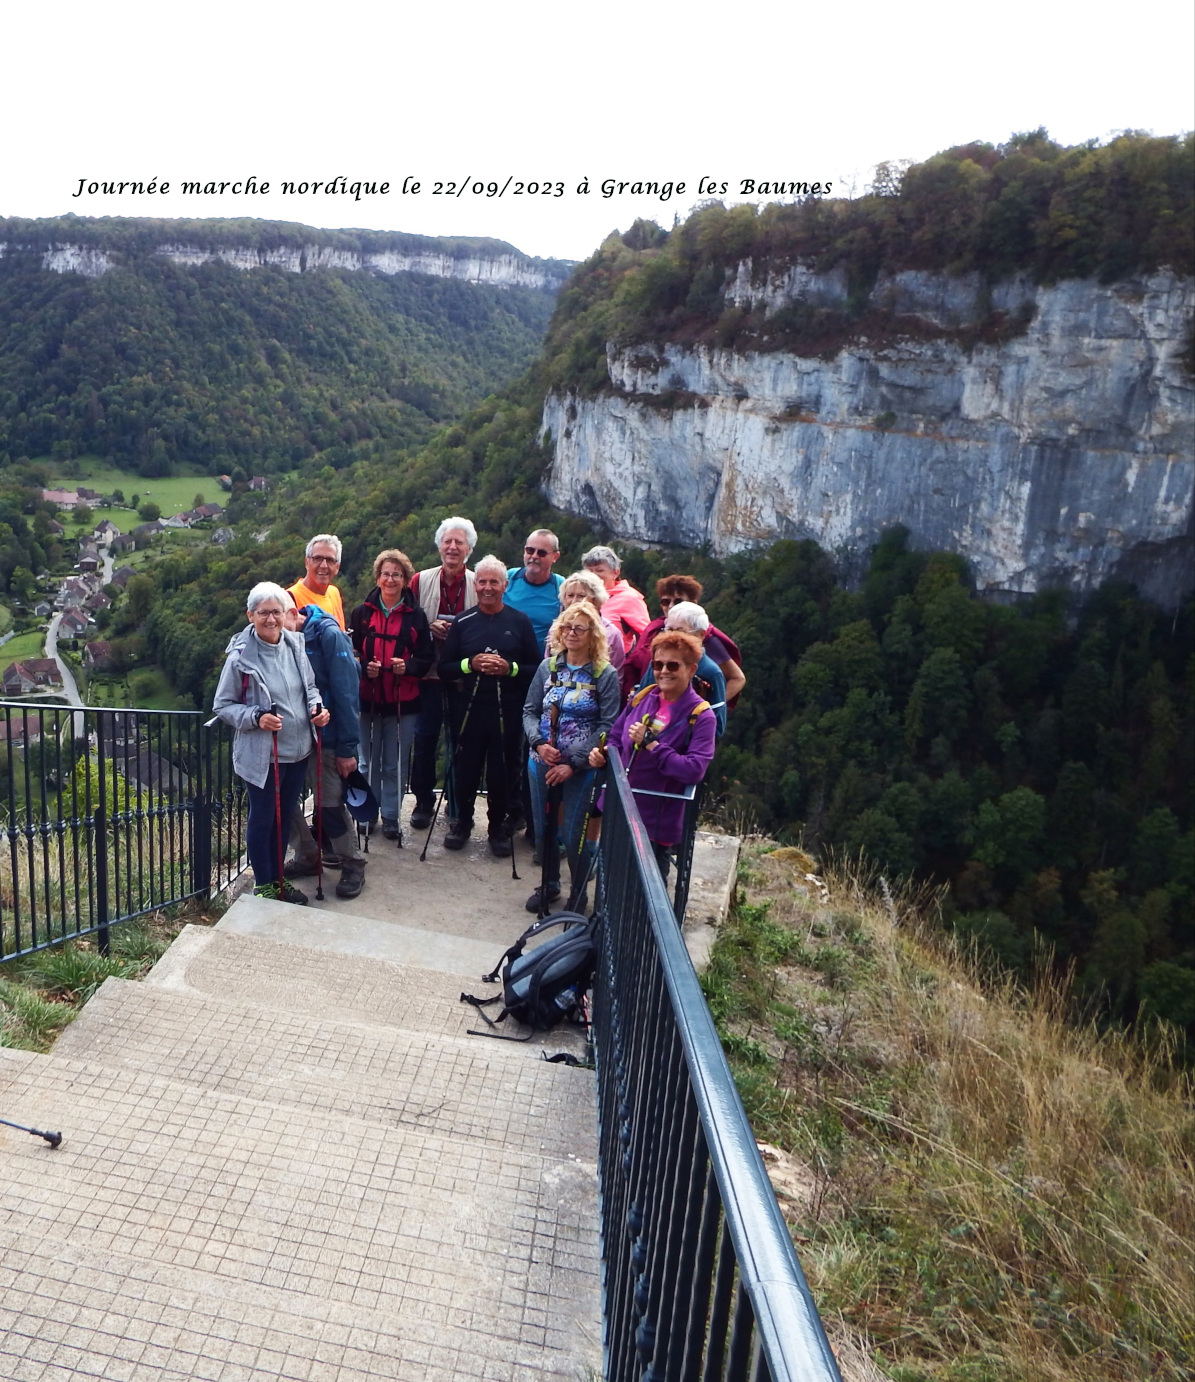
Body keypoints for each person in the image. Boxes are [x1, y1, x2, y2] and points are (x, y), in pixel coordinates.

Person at [213, 582, 329, 904]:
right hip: (264, 755)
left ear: (286, 614)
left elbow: (310, 688)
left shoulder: (294, 645)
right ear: (250, 615)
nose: (271, 619)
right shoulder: (240, 658)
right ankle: (265, 884)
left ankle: (277, 881)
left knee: (284, 817)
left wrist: (317, 709)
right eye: (263, 613)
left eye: (276, 612)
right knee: (263, 818)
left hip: (299, 750)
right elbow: (222, 705)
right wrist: (257, 717)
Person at [590, 630, 716, 883]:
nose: (664, 671)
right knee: (610, 884)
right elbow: (616, 738)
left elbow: (694, 769)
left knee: (645, 894)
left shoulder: (702, 716)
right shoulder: (644, 697)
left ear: (691, 670)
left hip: (656, 824)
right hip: (619, 810)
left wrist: (653, 745)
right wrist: (604, 756)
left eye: (673, 665)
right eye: (658, 665)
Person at [438, 556, 541, 854]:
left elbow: (536, 669)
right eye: (482, 581)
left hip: (507, 710)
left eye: (494, 582)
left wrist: (509, 669)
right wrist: (470, 664)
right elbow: (445, 668)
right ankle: (462, 823)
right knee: (466, 768)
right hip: (469, 709)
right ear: (475, 584)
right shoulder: (463, 621)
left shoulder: (520, 621)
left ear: (505, 585)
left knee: (503, 771)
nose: (487, 587)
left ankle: (497, 827)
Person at [522, 601, 620, 913]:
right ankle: (549, 883)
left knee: (575, 833)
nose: (572, 633)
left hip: (582, 768)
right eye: (567, 627)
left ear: (593, 635)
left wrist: (572, 763)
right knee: (544, 827)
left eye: (580, 628)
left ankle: (578, 893)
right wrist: (539, 743)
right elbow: (529, 711)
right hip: (541, 761)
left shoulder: (604, 674)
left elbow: (607, 724)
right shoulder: (548, 668)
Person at [286, 599, 368, 899]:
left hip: (328, 736)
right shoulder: (284, 636)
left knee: (330, 804)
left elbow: (347, 693)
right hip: (294, 736)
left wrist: (347, 748)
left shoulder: (329, 635)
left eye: (278, 618)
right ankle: (308, 855)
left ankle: (353, 864)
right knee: (283, 800)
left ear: (292, 613)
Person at [348, 549, 433, 840]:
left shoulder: (416, 616)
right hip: (368, 698)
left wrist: (407, 667)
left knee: (394, 762)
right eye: (386, 574)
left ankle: (392, 817)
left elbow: (425, 657)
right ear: (377, 577)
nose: (390, 579)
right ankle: (368, 813)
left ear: (406, 580)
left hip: (402, 701)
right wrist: (364, 667)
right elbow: (351, 652)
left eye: (397, 574)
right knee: (367, 761)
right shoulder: (362, 613)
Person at [408, 518, 478, 830]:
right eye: (447, 541)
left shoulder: (479, 583)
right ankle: (423, 801)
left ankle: (456, 801)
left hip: (463, 677)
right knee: (425, 738)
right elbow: (407, 623)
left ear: (469, 549)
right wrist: (428, 628)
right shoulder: (420, 581)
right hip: (427, 676)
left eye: (459, 542)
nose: (452, 547)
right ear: (439, 546)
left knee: (462, 740)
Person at [626, 575, 746, 706]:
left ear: (693, 603)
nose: (671, 606)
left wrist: (708, 705)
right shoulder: (654, 630)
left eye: (678, 602)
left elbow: (737, 678)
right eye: (665, 602)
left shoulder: (706, 639)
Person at [580, 545, 649, 658]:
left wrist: (635, 662)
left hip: (615, 663)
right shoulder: (578, 595)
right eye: (590, 571)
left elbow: (647, 635)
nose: (593, 575)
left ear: (615, 573)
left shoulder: (629, 598)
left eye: (600, 570)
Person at [556, 570, 625, 677]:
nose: (574, 601)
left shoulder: (612, 634)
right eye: (570, 595)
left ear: (596, 600)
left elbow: (616, 677)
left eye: (581, 596)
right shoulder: (557, 628)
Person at [505, 528, 564, 647]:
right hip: (504, 655)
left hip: (542, 657)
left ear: (555, 556)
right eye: (530, 550)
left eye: (542, 553)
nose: (534, 556)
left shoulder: (562, 587)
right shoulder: (509, 578)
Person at [289, 533, 347, 631]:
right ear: (307, 562)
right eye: (317, 558)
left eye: (330, 560)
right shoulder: (291, 598)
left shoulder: (334, 593)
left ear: (337, 567)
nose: (323, 565)